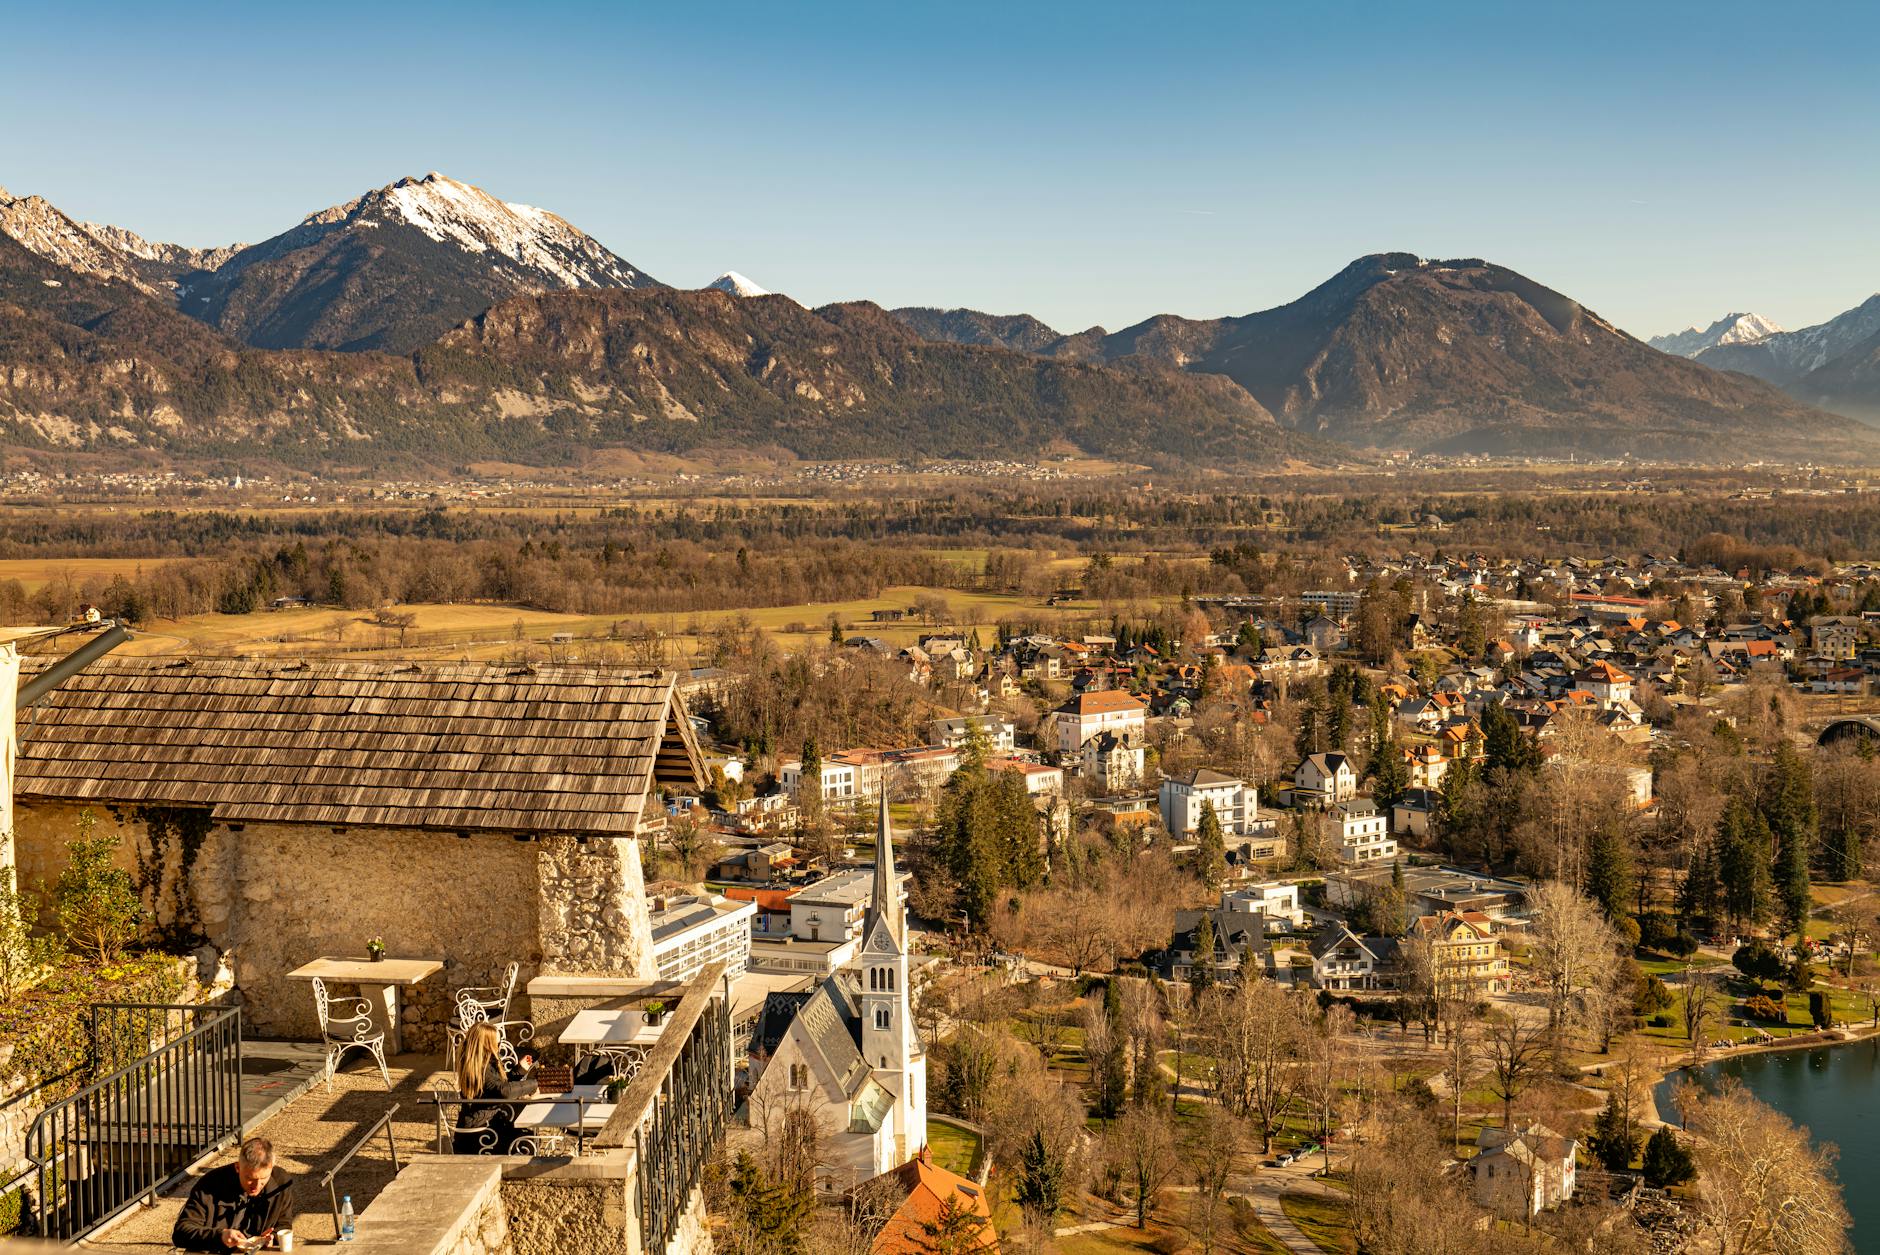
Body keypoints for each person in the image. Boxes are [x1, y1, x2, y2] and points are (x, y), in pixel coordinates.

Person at [172, 1136, 295, 1251]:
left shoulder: (281, 1183)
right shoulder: (210, 1184)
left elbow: (284, 1225)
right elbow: (181, 1233)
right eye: (250, 1178)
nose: (256, 1186)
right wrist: (220, 1236)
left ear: (271, 1168)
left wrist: (273, 1237)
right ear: (237, 1167)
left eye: (263, 1179)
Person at [453, 1020, 537, 1154]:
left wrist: (519, 1071)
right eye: (497, 1043)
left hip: (483, 1126)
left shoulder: (478, 1063)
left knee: (529, 1137)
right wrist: (534, 1084)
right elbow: (504, 1091)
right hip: (481, 1134)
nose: (498, 1047)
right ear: (488, 1044)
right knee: (528, 1142)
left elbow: (496, 1087)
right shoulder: (482, 1068)